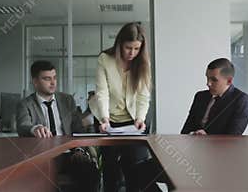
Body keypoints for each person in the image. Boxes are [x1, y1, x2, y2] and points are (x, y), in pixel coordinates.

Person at [89, 22, 160, 191]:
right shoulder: (105, 59)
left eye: (137, 49)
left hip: (132, 121)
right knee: (110, 169)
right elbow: (102, 92)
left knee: (135, 169)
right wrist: (104, 118)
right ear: (120, 43)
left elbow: (143, 96)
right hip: (107, 120)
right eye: (129, 48)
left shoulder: (142, 62)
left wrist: (140, 119)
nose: (132, 53)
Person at [16, 60, 99, 192]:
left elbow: (78, 129)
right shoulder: (25, 104)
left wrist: (79, 149)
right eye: (47, 79)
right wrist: (35, 128)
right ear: (35, 81)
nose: (53, 82)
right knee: (41, 177)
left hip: (69, 153)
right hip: (43, 156)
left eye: (54, 78)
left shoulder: (67, 100)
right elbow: (23, 125)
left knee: (89, 171)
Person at [181, 58, 248, 135]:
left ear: (229, 81)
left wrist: (207, 138)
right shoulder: (200, 96)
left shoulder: (241, 100)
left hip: (221, 147)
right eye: (207, 78)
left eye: (214, 80)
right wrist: (192, 134)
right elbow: (185, 131)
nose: (208, 83)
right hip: (193, 145)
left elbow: (233, 137)